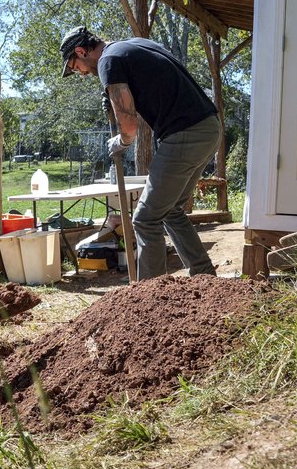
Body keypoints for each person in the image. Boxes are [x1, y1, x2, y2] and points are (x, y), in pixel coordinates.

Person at [60, 25, 220, 280]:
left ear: (81, 51)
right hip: (208, 127)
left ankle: (149, 294)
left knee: (145, 219)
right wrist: (113, 93)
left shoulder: (108, 62)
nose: (79, 73)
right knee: (171, 211)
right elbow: (154, 81)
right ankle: (204, 276)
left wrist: (121, 142)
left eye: (74, 66)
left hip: (184, 133)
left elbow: (130, 127)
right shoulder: (132, 45)